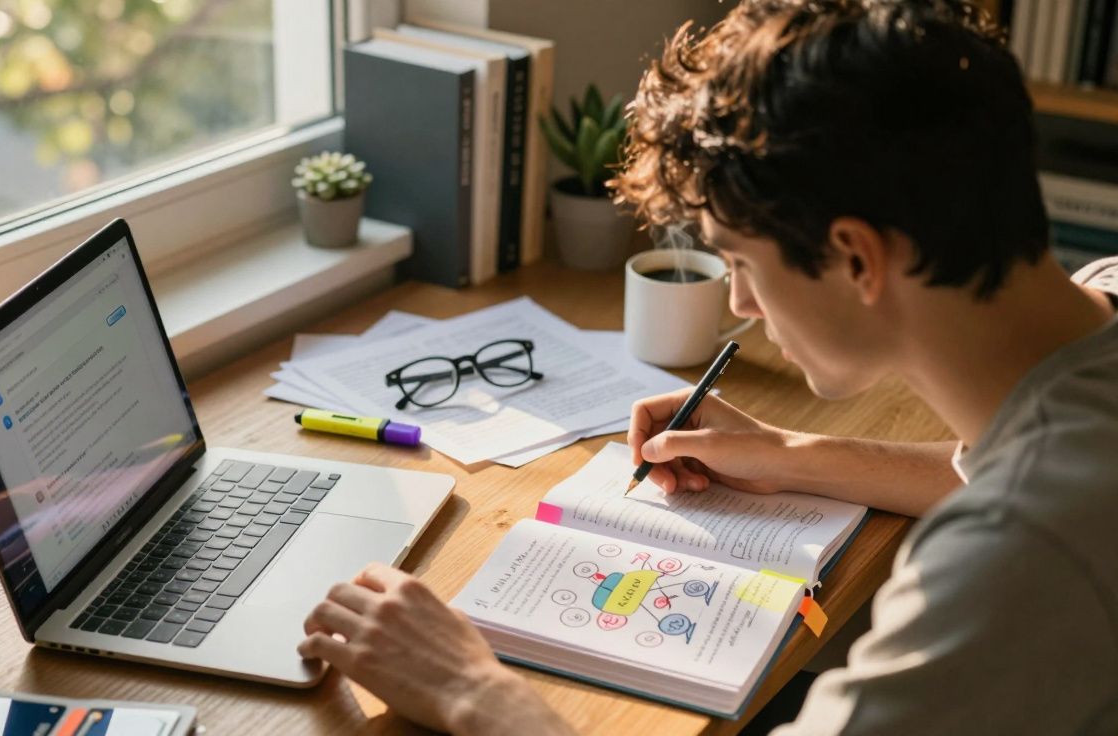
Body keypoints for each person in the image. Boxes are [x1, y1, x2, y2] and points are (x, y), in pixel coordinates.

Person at [297, 1, 1118, 733]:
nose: (740, 307)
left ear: (857, 260)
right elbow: (1023, 462)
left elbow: (1028, 503)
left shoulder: (1014, 555)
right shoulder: (1093, 307)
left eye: (742, 263)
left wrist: (475, 693)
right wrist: (792, 457)